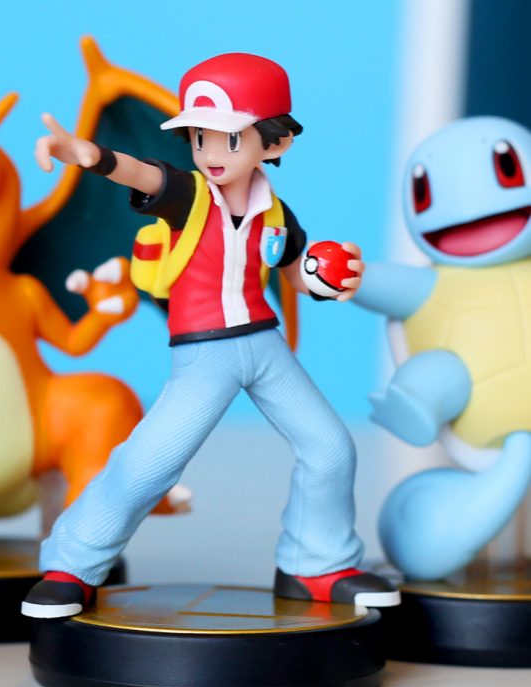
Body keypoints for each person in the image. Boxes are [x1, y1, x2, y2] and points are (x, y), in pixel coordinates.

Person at [21, 53, 399, 619]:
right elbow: (142, 173)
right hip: (206, 352)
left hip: (264, 344)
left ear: (275, 142)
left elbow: (294, 273)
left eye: (230, 139)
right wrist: (90, 156)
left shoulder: (277, 213)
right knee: (150, 463)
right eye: (200, 138)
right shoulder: (190, 195)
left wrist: (326, 280)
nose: (211, 154)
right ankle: (71, 565)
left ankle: (316, 564)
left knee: (329, 446)